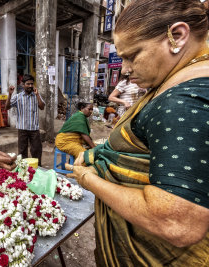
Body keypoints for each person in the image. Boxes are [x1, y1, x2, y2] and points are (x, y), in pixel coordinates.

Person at [67, 0, 209, 265]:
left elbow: (177, 222)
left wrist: (87, 180)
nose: (125, 69)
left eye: (132, 55)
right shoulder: (173, 81)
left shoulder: (183, 101)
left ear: (177, 36)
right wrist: (96, 154)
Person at [5, 74, 45, 165]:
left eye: (32, 84)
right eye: (28, 84)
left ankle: (37, 167)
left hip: (34, 128)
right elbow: (7, 107)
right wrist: (10, 94)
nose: (30, 86)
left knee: (36, 150)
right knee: (22, 151)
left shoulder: (36, 95)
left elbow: (42, 107)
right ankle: (23, 169)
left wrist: (37, 95)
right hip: (22, 128)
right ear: (23, 85)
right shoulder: (18, 97)